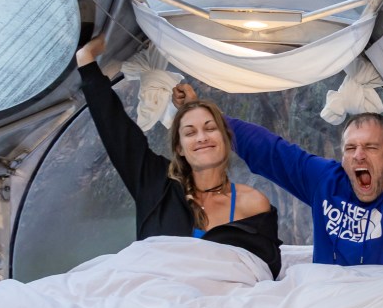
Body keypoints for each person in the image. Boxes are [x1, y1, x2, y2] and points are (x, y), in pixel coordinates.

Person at [174, 0, 383, 273]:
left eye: (371, 147)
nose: (358, 155)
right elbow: (269, 151)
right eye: (350, 148)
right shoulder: (328, 182)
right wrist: (205, 117)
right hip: (334, 297)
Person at [76, 35, 282, 278]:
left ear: (226, 139)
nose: (201, 137)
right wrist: (86, 61)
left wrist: (193, 107)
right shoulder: (156, 186)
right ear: (180, 147)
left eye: (210, 128)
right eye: (190, 132)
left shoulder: (253, 203)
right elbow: (117, 131)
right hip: (156, 295)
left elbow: (264, 272)